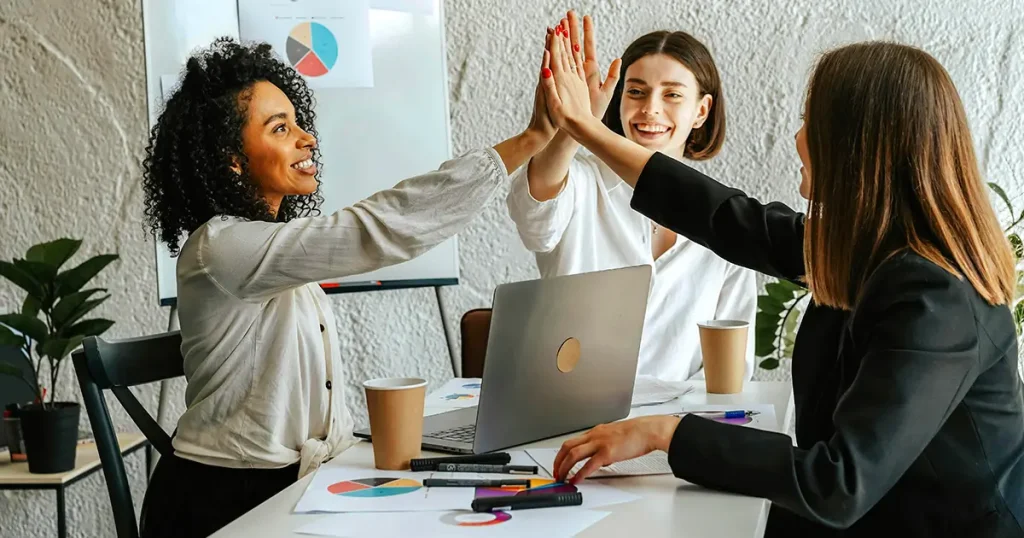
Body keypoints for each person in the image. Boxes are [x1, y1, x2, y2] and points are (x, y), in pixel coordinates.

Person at [540, 28, 1024, 537]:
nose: (797, 139)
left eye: (810, 122)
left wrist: (667, 434)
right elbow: (724, 216)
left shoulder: (935, 296)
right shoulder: (868, 249)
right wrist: (583, 128)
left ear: (859, 147)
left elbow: (836, 484)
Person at [137, 38, 556, 537]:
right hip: (223, 501)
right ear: (232, 161)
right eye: (280, 128)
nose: (306, 137)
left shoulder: (272, 254)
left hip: (288, 485)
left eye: (297, 121)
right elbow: (372, 229)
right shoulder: (222, 247)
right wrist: (530, 139)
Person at [507, 13, 756, 383]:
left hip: (675, 428)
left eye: (672, 94)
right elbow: (534, 216)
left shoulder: (726, 218)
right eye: (636, 91)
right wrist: (577, 123)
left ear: (701, 111)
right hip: (571, 417)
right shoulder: (580, 181)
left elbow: (732, 369)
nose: (650, 109)